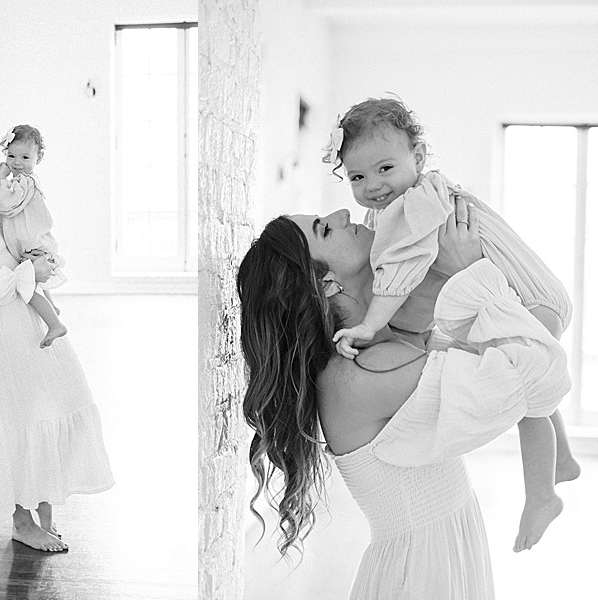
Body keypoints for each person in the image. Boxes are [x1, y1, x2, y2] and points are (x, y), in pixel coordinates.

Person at [237, 202, 571, 598]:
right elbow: (536, 372)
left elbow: (484, 350)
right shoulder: (368, 369)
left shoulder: (370, 350)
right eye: (325, 229)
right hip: (425, 571)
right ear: (324, 284)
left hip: (433, 553)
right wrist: (469, 271)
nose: (344, 213)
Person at [321, 97, 579, 551]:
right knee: (527, 391)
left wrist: (369, 325)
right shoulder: (393, 210)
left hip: (526, 298)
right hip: (519, 294)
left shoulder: (417, 206)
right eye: (358, 177)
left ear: (418, 158)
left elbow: (400, 277)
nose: (374, 186)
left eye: (385, 168)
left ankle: (542, 493)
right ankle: (561, 462)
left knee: (525, 392)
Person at [0, 127, 114, 552]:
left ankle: (44, 502)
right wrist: (26, 275)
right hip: (0, 324)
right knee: (13, 415)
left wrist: (40, 260)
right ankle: (20, 519)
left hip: (27, 312)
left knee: (56, 398)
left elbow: (25, 234)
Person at [0, 124, 68, 349]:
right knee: (34, 282)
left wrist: (0, 178)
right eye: (12, 155)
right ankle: (52, 307)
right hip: (33, 243)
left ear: (39, 157)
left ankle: (54, 323)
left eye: (25, 157)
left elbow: (3, 204)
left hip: (32, 244)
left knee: (28, 287)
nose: (17, 163)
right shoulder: (23, 181)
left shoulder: (24, 182)